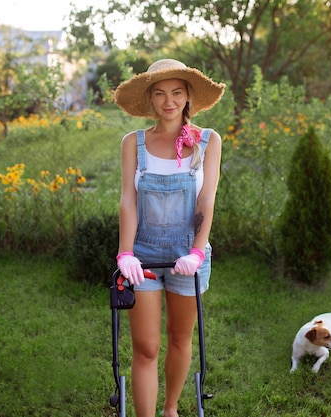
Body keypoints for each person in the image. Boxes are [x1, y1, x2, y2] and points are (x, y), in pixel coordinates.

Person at [113, 59, 225, 417]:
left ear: (188, 96)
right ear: (150, 100)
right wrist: (125, 253)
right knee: (146, 347)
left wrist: (196, 250)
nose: (169, 101)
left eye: (176, 92)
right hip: (142, 257)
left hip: (187, 255)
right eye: (159, 93)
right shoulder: (134, 143)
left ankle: (171, 409)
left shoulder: (208, 141)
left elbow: (206, 199)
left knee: (180, 337)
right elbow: (128, 200)